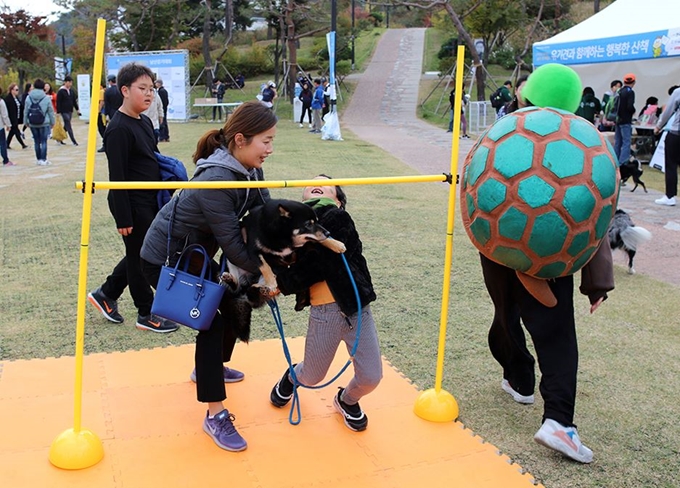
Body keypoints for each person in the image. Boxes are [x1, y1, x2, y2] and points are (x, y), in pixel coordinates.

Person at [478, 64, 615, 464]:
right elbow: (595, 211)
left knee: (506, 313)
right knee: (555, 334)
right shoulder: (579, 143)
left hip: (497, 245)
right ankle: (558, 422)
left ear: (527, 94)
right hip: (549, 257)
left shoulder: (503, 132)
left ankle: (519, 378)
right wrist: (597, 282)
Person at [140, 101, 276, 451]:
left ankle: (209, 367)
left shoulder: (249, 169)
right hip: (166, 261)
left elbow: (264, 212)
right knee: (212, 323)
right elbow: (232, 244)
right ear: (242, 140)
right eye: (266, 141)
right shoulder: (215, 179)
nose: (270, 149)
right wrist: (267, 273)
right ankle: (214, 414)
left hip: (195, 257)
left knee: (233, 303)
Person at [269, 175, 382, 432]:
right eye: (310, 184)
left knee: (371, 377)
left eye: (326, 184)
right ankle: (291, 376)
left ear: (339, 201)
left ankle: (347, 400)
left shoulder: (339, 219)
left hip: (357, 310)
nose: (316, 183)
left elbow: (320, 261)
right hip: (325, 314)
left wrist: (283, 284)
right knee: (311, 375)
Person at [87, 62, 179, 334]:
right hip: (132, 204)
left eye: (151, 88)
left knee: (138, 253)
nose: (149, 94)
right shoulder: (118, 129)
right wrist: (123, 216)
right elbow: (117, 177)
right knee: (141, 258)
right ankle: (146, 313)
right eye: (142, 88)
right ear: (124, 90)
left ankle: (106, 293)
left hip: (151, 200)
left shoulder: (147, 121)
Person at [653, 84, 680, 206]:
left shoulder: (678, 92)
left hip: (676, 134)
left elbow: (668, 111)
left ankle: (670, 195)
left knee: (671, 165)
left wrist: (659, 126)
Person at [23, 79, 56, 166]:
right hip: (44, 122)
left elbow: (26, 111)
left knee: (36, 142)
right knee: (44, 141)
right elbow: (50, 111)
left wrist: (25, 121)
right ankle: (43, 159)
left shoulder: (28, 97)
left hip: (33, 122)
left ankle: (38, 159)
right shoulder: (46, 98)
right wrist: (53, 122)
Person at [614, 73, 636, 166]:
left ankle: (615, 160)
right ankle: (623, 162)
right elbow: (629, 106)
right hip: (626, 120)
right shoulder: (630, 92)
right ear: (634, 82)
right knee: (626, 142)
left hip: (617, 119)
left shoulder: (620, 91)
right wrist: (633, 111)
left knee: (617, 142)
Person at [56, 75, 80, 146]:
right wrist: (58, 111)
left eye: (71, 82)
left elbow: (74, 101)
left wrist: (77, 109)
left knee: (66, 126)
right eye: (69, 82)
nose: (70, 84)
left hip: (70, 110)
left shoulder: (71, 91)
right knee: (68, 125)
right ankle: (74, 141)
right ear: (65, 82)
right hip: (64, 111)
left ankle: (59, 138)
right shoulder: (61, 91)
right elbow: (58, 102)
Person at [102, 74, 124, 152]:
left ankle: (106, 145)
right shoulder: (121, 90)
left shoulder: (107, 91)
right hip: (122, 111)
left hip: (112, 112)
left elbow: (107, 104)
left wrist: (106, 114)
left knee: (109, 129)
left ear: (110, 82)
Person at [4, 83, 28, 150]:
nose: (17, 91)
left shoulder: (16, 98)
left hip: (17, 118)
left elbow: (20, 107)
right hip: (11, 118)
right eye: (16, 90)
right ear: (12, 90)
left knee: (12, 132)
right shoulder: (8, 99)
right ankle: (23, 145)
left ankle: (7, 144)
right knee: (16, 131)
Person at [0, 88, 14, 166]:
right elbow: (4, 115)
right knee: (2, 143)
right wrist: (8, 125)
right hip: (0, 126)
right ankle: (5, 160)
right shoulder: (1, 102)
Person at [155, 78, 170, 142]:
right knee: (164, 122)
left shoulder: (161, 91)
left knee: (162, 123)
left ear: (159, 84)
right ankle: (166, 137)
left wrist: (161, 108)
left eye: (156, 83)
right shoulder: (164, 90)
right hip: (164, 108)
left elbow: (161, 102)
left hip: (162, 109)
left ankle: (163, 137)